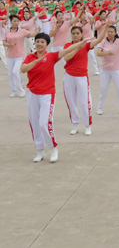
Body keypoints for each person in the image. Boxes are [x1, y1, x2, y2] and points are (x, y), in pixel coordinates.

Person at [21, 33, 90, 163]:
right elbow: (23, 69)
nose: (39, 44)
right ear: (34, 43)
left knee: (44, 123)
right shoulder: (30, 57)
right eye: (37, 42)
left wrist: (82, 43)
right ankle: (40, 150)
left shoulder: (51, 56)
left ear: (47, 44)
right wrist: (36, 61)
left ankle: (53, 148)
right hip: (32, 94)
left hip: (47, 94)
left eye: (42, 42)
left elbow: (67, 50)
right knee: (34, 123)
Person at [62, 25, 107, 135]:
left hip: (81, 77)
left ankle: (87, 125)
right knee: (71, 101)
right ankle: (75, 124)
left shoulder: (86, 45)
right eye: (73, 33)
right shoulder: (67, 45)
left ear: (81, 34)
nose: (76, 35)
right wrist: (77, 47)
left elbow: (99, 40)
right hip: (69, 76)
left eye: (78, 33)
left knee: (84, 102)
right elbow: (67, 57)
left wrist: (105, 28)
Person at [3, 15, 39, 98]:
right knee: (11, 74)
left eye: (17, 21)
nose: (16, 23)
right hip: (10, 55)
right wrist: (9, 44)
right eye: (14, 21)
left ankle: (22, 90)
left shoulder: (22, 31)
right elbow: (4, 42)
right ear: (11, 21)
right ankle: (14, 91)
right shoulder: (7, 32)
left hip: (20, 55)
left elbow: (31, 35)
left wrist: (37, 31)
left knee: (16, 71)